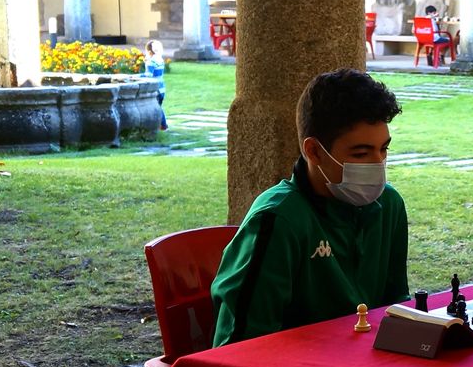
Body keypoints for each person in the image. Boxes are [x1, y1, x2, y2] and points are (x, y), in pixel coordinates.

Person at [212, 69, 408, 347]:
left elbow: (395, 305)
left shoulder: (389, 205)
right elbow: (242, 343)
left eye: (384, 149)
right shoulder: (278, 219)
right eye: (361, 154)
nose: (378, 164)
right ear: (314, 151)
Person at [143, 39, 168, 131]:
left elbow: (148, 75)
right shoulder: (160, 60)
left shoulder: (151, 62)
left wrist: (135, 76)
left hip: (155, 89)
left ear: (149, 51)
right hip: (162, 88)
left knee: (157, 109)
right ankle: (160, 126)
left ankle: (163, 126)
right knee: (158, 107)